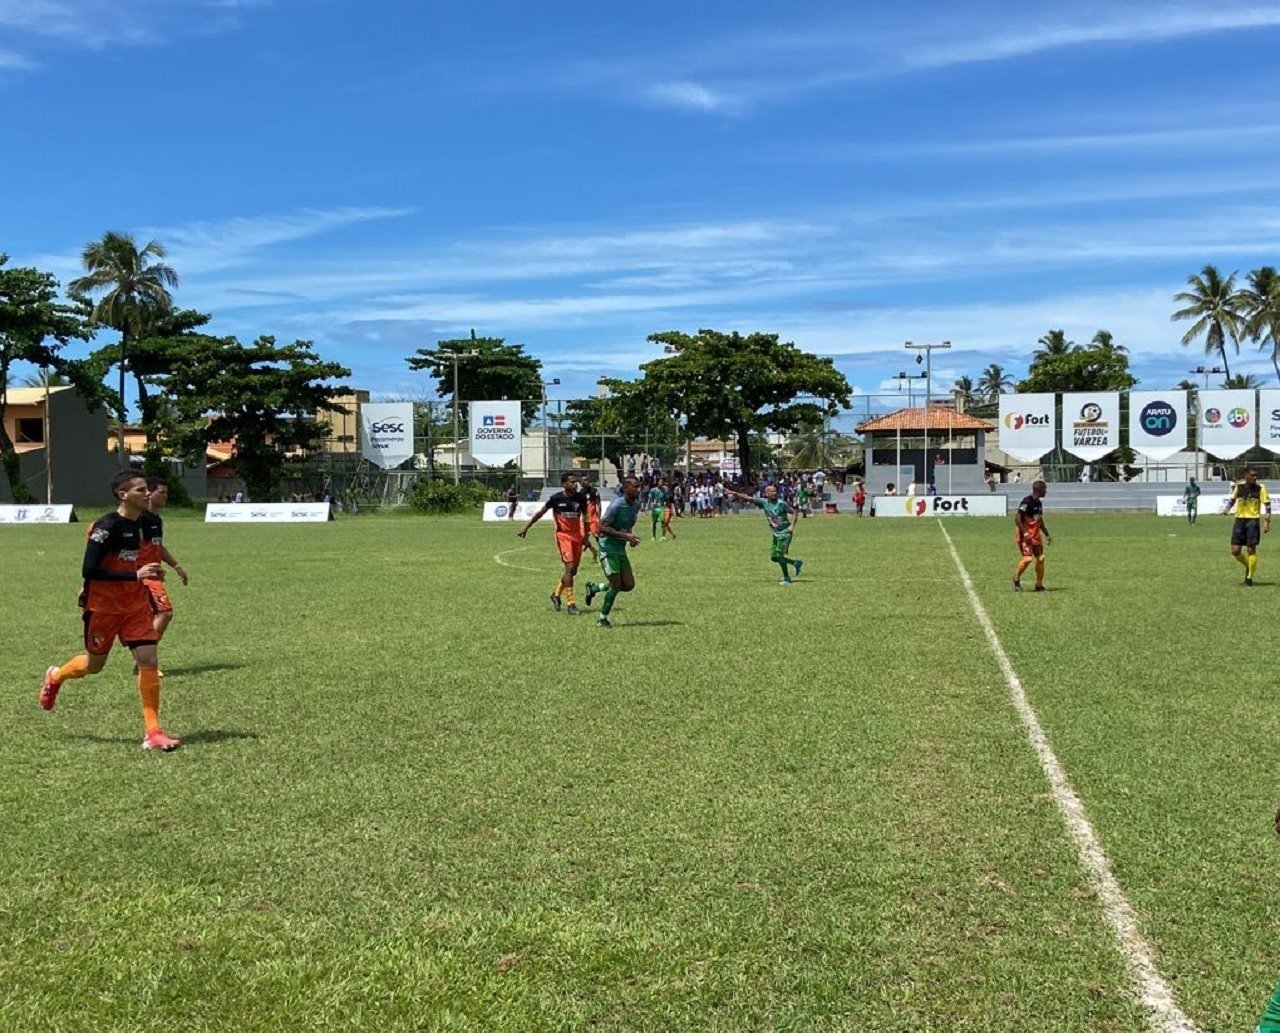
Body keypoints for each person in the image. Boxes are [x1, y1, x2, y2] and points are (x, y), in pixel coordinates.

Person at [40, 471, 181, 751]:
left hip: (134, 605)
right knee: (95, 665)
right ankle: (55, 676)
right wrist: (135, 575)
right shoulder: (106, 526)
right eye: (140, 490)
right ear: (123, 495)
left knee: (148, 658)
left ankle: (153, 732)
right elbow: (89, 570)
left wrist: (149, 573)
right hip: (103, 607)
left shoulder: (146, 522)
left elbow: (134, 562)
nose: (147, 494)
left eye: (147, 490)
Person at [139, 477, 190, 670]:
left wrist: (176, 566)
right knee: (164, 612)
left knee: (154, 616)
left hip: (154, 575)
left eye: (166, 493)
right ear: (149, 493)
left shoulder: (156, 519)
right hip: (144, 577)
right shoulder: (140, 518)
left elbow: (157, 546)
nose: (165, 496)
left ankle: (143, 660)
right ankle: (144, 661)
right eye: (161, 492)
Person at [516, 472, 586, 615]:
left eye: (575, 482)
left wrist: (586, 536)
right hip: (563, 536)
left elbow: (585, 517)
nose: (575, 484)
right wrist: (526, 527)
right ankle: (571, 604)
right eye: (572, 482)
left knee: (573, 571)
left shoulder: (580, 498)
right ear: (564, 484)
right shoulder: (556, 499)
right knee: (569, 567)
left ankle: (555, 594)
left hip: (577, 537)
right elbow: (541, 513)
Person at [584, 476, 643, 628]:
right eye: (635, 487)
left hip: (620, 548)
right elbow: (601, 528)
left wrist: (630, 537)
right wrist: (625, 535)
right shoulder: (616, 505)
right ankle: (602, 619)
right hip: (607, 548)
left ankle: (595, 588)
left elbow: (630, 522)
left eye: (639, 486)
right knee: (616, 585)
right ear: (626, 489)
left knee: (629, 585)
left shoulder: (636, 505)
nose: (638, 490)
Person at [724, 482, 804, 585]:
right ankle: (795, 563)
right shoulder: (764, 502)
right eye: (771, 491)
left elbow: (794, 512)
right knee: (774, 557)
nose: (774, 493)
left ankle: (787, 578)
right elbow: (748, 498)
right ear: (766, 494)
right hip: (775, 534)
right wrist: (733, 492)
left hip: (785, 532)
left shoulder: (781, 503)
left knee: (779, 555)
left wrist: (791, 526)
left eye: (775, 491)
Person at [1223, 466, 1271, 586]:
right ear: (1246, 475)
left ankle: (1249, 579)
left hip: (1252, 521)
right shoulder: (1239, 487)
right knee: (1235, 550)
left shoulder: (1261, 488)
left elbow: (1268, 506)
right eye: (1253, 475)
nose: (1255, 477)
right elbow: (1232, 500)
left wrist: (1267, 522)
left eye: (1256, 475)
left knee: (1251, 549)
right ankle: (1249, 566)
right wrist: (1227, 509)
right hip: (1239, 520)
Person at [1013, 479, 1053, 592]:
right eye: (1044, 489)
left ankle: (1039, 585)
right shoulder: (1027, 501)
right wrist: (1025, 532)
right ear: (1039, 490)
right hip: (1024, 536)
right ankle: (1016, 579)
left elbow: (1039, 520)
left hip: (1035, 536)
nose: (1046, 492)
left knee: (1041, 558)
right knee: (1027, 559)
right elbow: (1017, 518)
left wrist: (1047, 534)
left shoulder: (1039, 503)